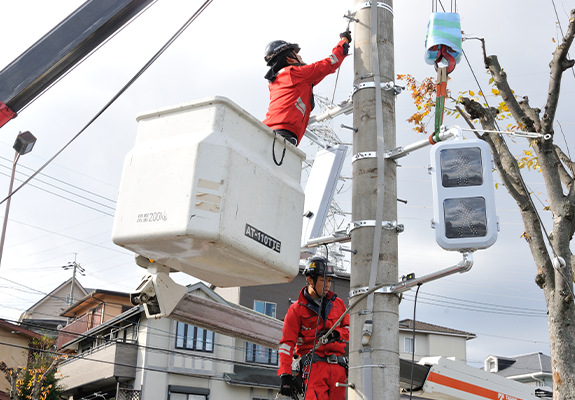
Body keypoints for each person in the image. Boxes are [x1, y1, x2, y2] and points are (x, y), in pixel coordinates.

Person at [278, 257, 350, 400]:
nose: (328, 285)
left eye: (329, 280)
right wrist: (285, 374)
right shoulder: (296, 310)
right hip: (314, 368)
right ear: (310, 280)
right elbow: (287, 344)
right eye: (324, 281)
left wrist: (335, 334)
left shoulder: (339, 304)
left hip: (339, 370)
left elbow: (349, 330)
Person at [263, 32, 352, 146]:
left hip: (271, 131)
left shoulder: (277, 81)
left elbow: (318, 75)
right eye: (296, 54)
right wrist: (343, 42)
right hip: (283, 132)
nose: (300, 56)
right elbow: (331, 62)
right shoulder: (296, 74)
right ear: (289, 58)